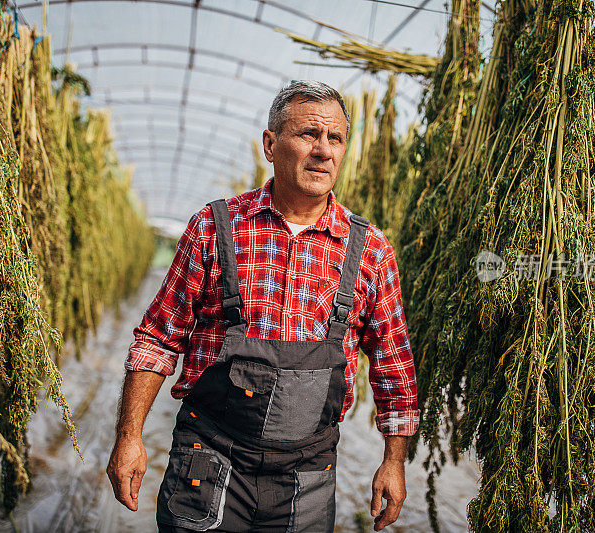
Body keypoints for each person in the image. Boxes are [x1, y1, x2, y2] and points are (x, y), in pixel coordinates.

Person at [106, 80, 419, 532]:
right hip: (209, 458)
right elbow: (158, 336)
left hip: (307, 474)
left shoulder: (369, 249)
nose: (323, 151)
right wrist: (129, 436)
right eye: (308, 134)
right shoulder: (215, 227)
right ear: (270, 145)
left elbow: (394, 363)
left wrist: (394, 460)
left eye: (335, 139)